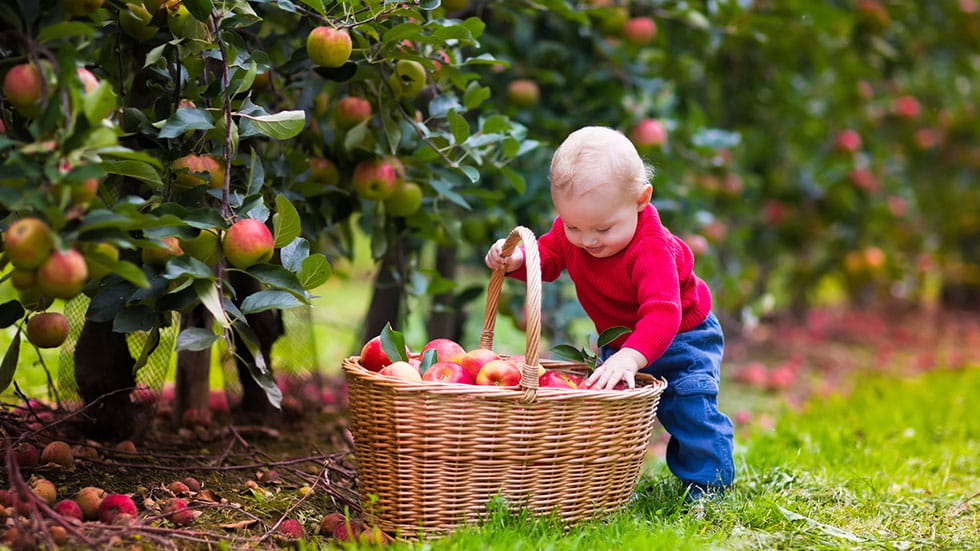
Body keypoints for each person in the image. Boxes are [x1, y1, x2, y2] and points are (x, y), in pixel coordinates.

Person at [484, 126, 734, 501]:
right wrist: (515, 259)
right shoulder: (577, 233)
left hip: (683, 336)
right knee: (608, 413)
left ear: (640, 199)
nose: (587, 240)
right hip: (623, 343)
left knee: (688, 406)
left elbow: (663, 313)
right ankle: (606, 483)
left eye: (602, 228)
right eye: (573, 226)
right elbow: (549, 258)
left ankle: (708, 488)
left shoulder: (650, 248)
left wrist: (632, 357)